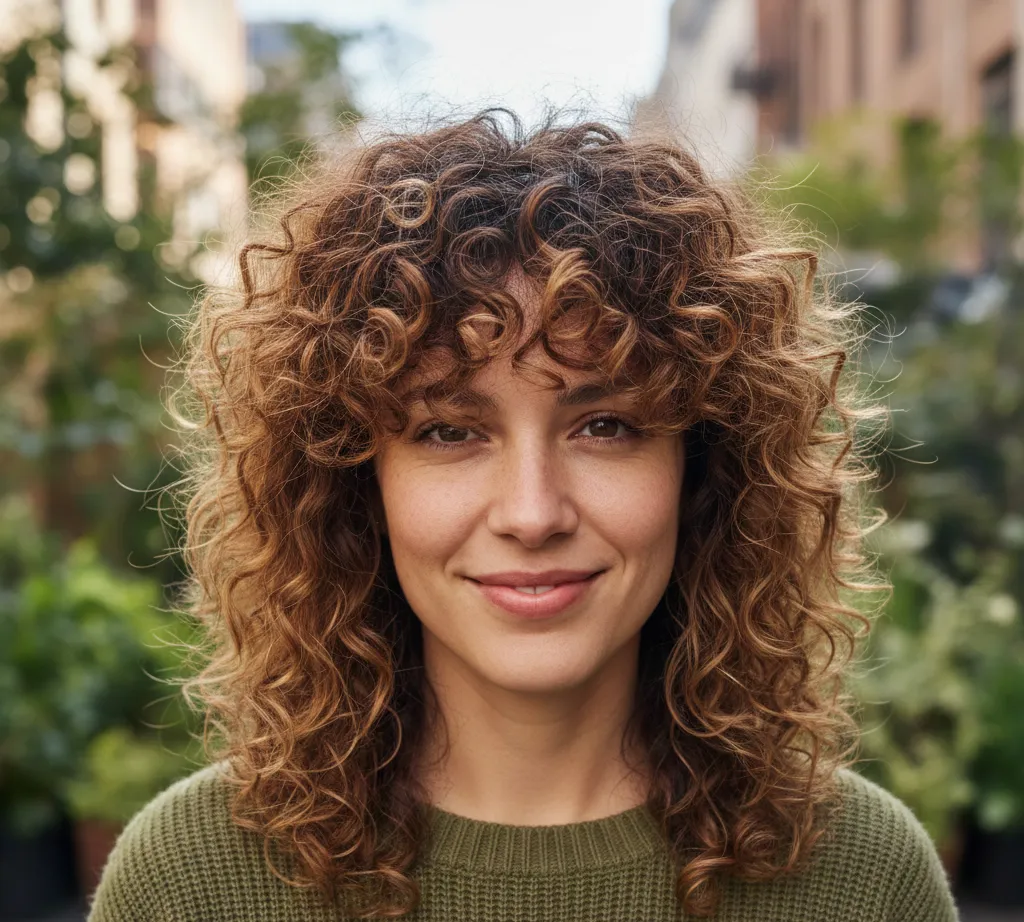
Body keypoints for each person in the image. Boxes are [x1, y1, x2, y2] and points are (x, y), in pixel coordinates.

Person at [87, 109, 959, 921]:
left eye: (606, 425)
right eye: (449, 430)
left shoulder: (864, 878)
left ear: (705, 470)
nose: (533, 512)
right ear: (354, 483)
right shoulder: (189, 881)